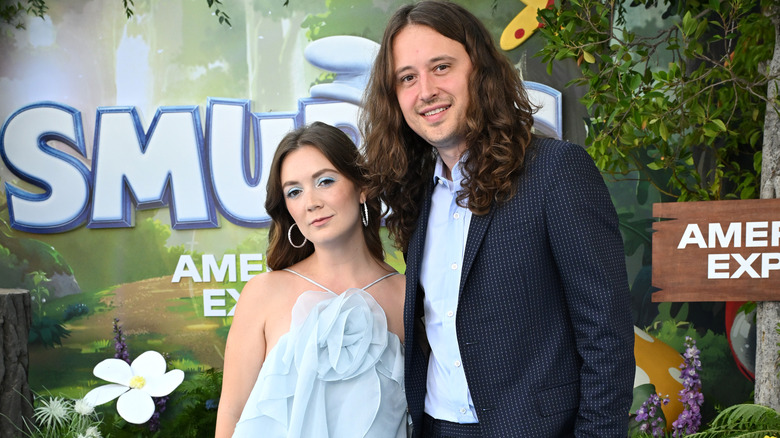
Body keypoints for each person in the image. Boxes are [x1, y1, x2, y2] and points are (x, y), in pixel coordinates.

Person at [360, 1, 635, 437]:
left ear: (480, 70)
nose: (425, 90)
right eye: (407, 78)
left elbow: (607, 339)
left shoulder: (556, 172)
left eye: (441, 67)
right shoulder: (417, 192)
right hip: (437, 427)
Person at [215, 122, 407, 438]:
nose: (311, 202)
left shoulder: (404, 294)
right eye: (294, 191)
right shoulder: (264, 293)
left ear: (362, 188)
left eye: (325, 181)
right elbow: (232, 413)